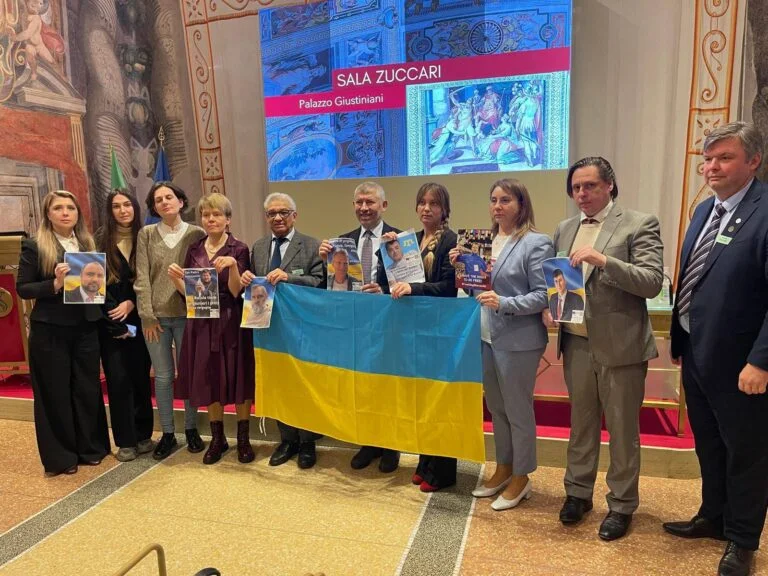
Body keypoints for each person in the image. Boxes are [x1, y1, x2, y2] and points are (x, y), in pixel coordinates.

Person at [665, 121, 768, 576]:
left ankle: (742, 540)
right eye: (707, 159)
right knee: (708, 443)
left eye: (725, 158)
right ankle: (713, 516)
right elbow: (693, 277)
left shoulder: (765, 211)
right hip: (696, 353)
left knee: (747, 453)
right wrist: (679, 339)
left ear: (753, 161)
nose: (712, 167)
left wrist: (761, 360)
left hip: (743, 364)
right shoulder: (705, 210)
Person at [543, 157, 663, 541]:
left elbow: (652, 282)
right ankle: (577, 493)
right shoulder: (565, 228)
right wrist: (553, 305)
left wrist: (604, 260)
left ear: (609, 185)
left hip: (621, 347)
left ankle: (622, 505)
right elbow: (562, 281)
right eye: (576, 187)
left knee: (623, 430)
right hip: (576, 342)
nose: (582, 194)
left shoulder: (639, 223)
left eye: (590, 185)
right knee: (581, 425)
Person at [449, 179, 553, 510]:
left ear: (521, 204)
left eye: (505, 200)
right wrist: (460, 269)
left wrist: (505, 302)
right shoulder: (481, 242)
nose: (497, 206)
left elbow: (543, 295)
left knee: (518, 410)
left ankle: (522, 476)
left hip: (518, 339)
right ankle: (504, 467)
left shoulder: (536, 243)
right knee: (497, 408)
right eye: (493, 199)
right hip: (485, 335)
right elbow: (475, 290)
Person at [16, 190, 110, 476]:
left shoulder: (87, 243)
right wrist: (55, 284)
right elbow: (23, 288)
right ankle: (62, 457)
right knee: (54, 393)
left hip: (85, 329)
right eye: (58, 208)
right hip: (51, 330)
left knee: (87, 389)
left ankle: (90, 449)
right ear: (48, 213)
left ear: (78, 213)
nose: (65, 212)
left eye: (70, 207)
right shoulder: (35, 245)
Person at [318, 181, 401, 474]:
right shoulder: (343, 242)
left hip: (387, 323)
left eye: (370, 202)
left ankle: (391, 446)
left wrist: (385, 290)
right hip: (354, 325)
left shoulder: (398, 239)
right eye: (359, 203)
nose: (364, 208)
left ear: (383, 205)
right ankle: (369, 443)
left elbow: (410, 282)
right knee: (361, 385)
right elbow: (331, 286)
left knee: (387, 385)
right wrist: (324, 261)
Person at [241, 192, 324, 469]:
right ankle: (287, 440)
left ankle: (307, 441)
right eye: (272, 213)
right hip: (269, 327)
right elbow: (254, 284)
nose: (277, 217)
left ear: (294, 215)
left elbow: (320, 282)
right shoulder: (259, 247)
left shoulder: (311, 245)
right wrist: (246, 278)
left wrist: (289, 277)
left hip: (302, 328)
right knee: (278, 384)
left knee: (303, 383)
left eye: (283, 212)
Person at [171, 193, 255, 465]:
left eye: (217, 214)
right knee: (209, 377)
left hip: (231, 320)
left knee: (238, 376)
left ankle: (243, 439)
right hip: (202, 321)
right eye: (206, 215)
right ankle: (218, 439)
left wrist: (233, 266)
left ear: (228, 219)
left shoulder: (239, 248)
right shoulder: (194, 249)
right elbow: (191, 294)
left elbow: (236, 291)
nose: (210, 219)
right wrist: (176, 280)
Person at [385, 182, 459, 492]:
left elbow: (449, 288)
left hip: (440, 331)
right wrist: (387, 254)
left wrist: (413, 289)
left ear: (445, 209)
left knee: (439, 401)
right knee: (421, 400)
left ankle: (443, 471)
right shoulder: (410, 240)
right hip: (414, 330)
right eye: (422, 203)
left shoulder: (452, 241)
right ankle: (425, 463)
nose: (426, 208)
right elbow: (394, 282)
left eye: (434, 203)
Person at [134, 181, 206, 460]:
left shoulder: (197, 233)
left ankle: (191, 428)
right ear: (154, 207)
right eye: (158, 200)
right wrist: (147, 315)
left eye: (169, 197)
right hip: (156, 319)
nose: (164, 202)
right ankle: (167, 433)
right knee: (163, 377)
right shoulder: (147, 234)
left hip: (188, 315)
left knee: (188, 375)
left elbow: (203, 275)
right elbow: (142, 277)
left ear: (181, 201)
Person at [95, 190, 154, 462]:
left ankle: (144, 435)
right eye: (116, 206)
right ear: (110, 211)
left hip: (140, 318)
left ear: (135, 207)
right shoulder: (98, 240)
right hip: (110, 320)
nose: (123, 210)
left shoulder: (146, 237)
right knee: (118, 381)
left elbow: (150, 278)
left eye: (127, 204)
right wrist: (114, 318)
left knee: (141, 378)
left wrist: (131, 302)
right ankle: (126, 441)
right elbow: (91, 284)